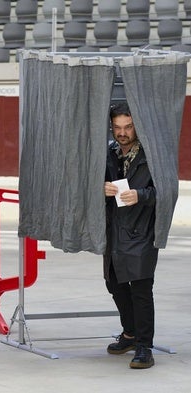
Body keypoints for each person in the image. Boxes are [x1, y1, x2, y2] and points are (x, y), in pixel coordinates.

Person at [103, 101, 157, 369]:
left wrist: (141, 195)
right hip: (115, 230)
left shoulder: (151, 154)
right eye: (117, 127)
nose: (122, 132)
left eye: (128, 126)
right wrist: (100, 189)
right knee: (114, 283)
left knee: (141, 289)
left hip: (142, 229)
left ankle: (145, 346)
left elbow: (165, 192)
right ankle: (130, 334)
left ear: (137, 126)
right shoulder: (110, 153)